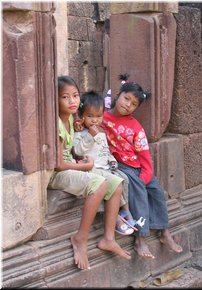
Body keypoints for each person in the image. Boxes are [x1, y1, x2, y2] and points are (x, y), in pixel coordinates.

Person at [48, 76, 131, 270]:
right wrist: (85, 166)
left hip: (73, 165)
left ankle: (108, 238)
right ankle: (80, 238)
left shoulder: (69, 119)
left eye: (75, 96)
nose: (72, 101)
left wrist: (81, 126)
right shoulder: (57, 124)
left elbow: (74, 147)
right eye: (65, 97)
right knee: (99, 184)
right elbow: (59, 164)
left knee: (116, 182)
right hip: (58, 174)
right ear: (55, 99)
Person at [102, 73, 183, 259]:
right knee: (138, 191)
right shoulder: (103, 118)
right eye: (126, 98)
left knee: (157, 191)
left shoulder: (135, 127)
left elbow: (144, 156)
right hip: (120, 166)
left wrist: (145, 177)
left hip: (138, 167)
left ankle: (164, 231)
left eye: (133, 104)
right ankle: (140, 238)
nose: (127, 104)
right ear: (118, 95)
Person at [73, 90, 138, 236]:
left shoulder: (102, 133)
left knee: (124, 179)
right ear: (81, 116)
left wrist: (112, 161)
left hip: (106, 167)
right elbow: (77, 151)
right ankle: (116, 218)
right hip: (93, 169)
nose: (95, 121)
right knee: (111, 184)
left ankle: (126, 211)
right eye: (90, 116)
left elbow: (105, 150)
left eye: (98, 116)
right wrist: (89, 136)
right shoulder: (79, 134)